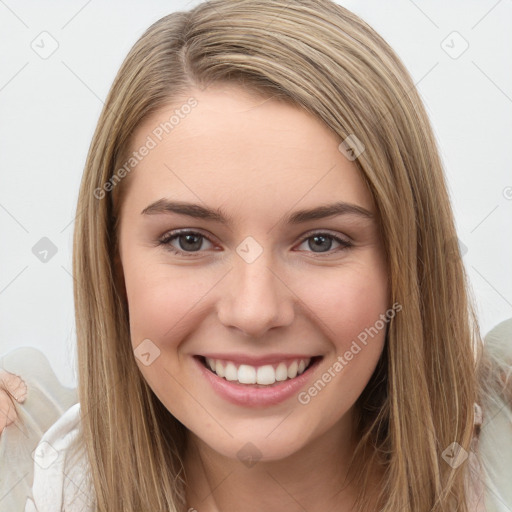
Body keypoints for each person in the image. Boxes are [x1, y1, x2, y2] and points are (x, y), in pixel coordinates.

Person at [0, 0, 510, 510]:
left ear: (406, 264)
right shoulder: (28, 466)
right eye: (189, 240)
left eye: (321, 241)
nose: (255, 311)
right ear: (113, 263)